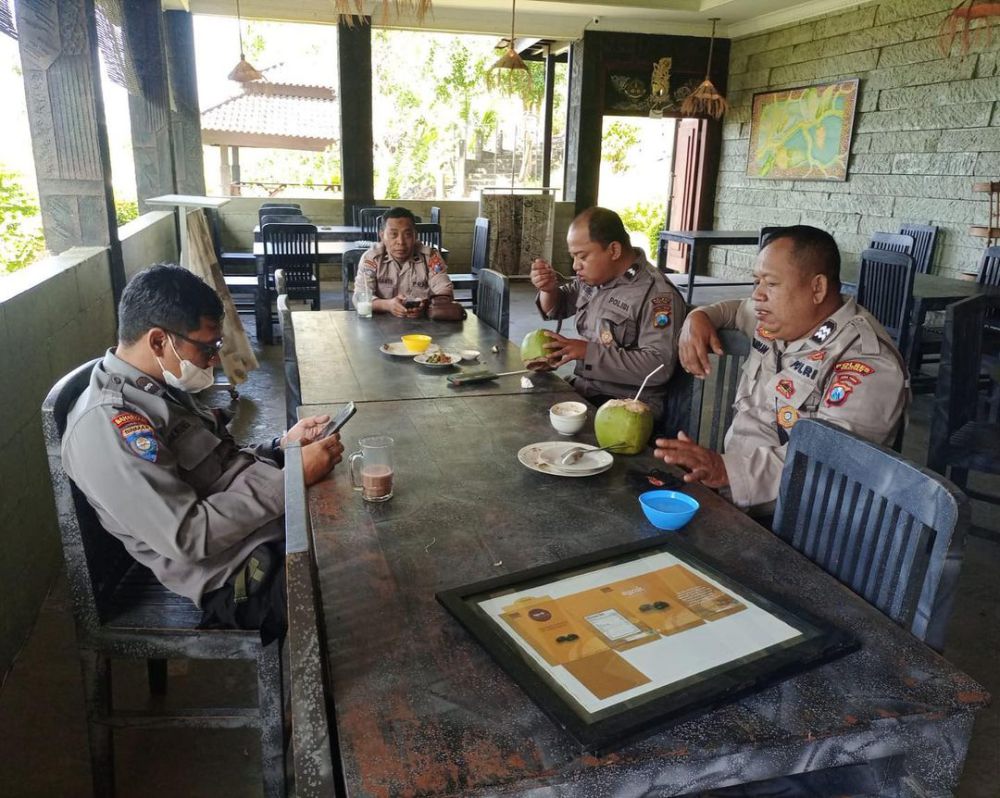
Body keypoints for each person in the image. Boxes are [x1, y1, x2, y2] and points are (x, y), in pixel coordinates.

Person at [62, 264, 344, 642]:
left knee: (361, 532)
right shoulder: (109, 425)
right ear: (159, 341)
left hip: (261, 534)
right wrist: (291, 480)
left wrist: (281, 448)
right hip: (238, 577)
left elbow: (218, 464)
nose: (214, 359)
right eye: (207, 347)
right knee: (355, 591)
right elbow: (188, 536)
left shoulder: (157, 386)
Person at [654, 225, 909, 513]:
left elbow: (831, 463)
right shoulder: (780, 317)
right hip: (735, 499)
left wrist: (725, 471)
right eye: (756, 281)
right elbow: (735, 309)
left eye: (771, 284)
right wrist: (697, 318)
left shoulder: (867, 363)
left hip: (800, 526)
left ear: (817, 288)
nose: (758, 295)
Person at [530, 206, 686, 420]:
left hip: (627, 406)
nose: (576, 266)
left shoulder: (658, 296)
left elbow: (658, 366)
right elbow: (559, 305)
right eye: (573, 257)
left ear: (613, 250)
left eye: (582, 256)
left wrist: (588, 352)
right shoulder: (597, 278)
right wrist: (547, 290)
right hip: (587, 390)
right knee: (527, 406)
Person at [359, 206, 453, 318]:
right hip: (381, 324)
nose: (401, 242)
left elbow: (444, 290)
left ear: (415, 236)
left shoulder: (430, 257)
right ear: (382, 236)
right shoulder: (372, 258)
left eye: (407, 234)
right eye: (393, 235)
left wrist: (426, 306)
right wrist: (388, 305)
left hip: (423, 325)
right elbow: (360, 296)